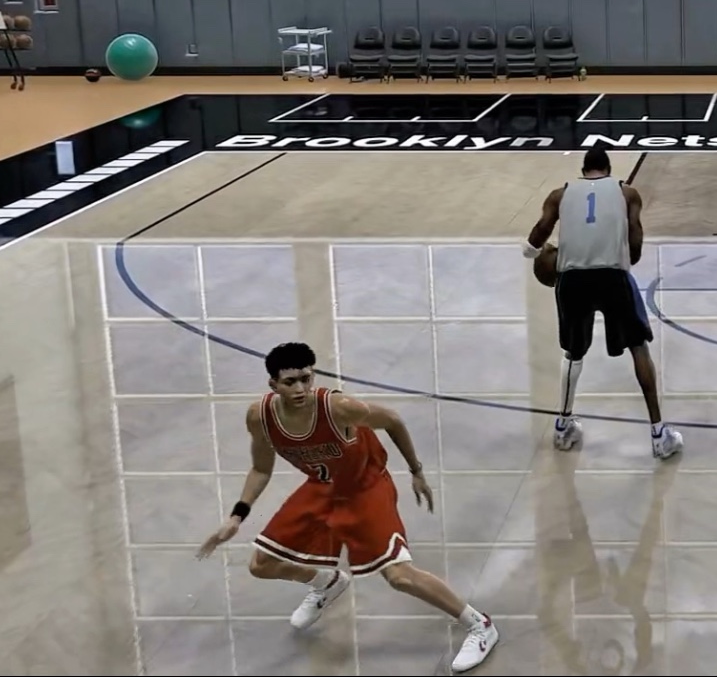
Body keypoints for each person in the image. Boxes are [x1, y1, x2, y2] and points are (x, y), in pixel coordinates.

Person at [196, 343, 498, 673]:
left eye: (306, 378)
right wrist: (236, 516)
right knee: (261, 564)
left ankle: (479, 625)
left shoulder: (339, 408)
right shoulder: (261, 416)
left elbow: (393, 420)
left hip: (365, 487)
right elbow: (261, 469)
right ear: (273, 385)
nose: (300, 388)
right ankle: (327, 583)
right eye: (290, 382)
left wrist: (416, 471)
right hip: (322, 487)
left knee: (399, 576)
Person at [524, 148, 683, 460]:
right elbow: (636, 237)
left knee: (573, 352)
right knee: (638, 347)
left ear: (583, 171)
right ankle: (659, 434)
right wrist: (626, 260)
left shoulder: (560, 194)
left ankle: (563, 427)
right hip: (613, 276)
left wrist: (530, 252)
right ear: (608, 170)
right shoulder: (627, 193)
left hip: (572, 279)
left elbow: (540, 231)